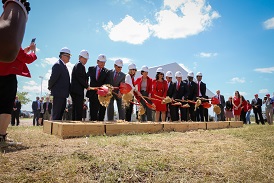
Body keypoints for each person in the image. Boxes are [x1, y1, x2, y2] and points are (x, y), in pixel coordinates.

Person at [0, 43, 37, 144]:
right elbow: (27, 59)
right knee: (6, 108)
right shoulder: (10, 39)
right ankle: (1, 136)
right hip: (7, 77)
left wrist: (23, 51)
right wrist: (33, 51)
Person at [48, 47, 71, 120]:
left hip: (63, 94)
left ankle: (57, 129)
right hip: (58, 94)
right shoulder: (58, 65)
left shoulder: (63, 66)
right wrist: (50, 87)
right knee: (57, 113)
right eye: (68, 56)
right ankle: (54, 129)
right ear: (63, 56)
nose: (69, 58)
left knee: (60, 113)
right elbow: (53, 78)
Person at [86, 54, 109, 121]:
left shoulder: (107, 72)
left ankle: (101, 128)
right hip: (92, 94)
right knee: (93, 112)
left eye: (104, 62)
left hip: (102, 96)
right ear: (97, 61)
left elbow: (107, 83)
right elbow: (86, 77)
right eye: (101, 62)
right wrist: (87, 85)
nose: (102, 64)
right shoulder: (91, 69)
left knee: (101, 112)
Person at [70, 50, 90, 121]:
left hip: (76, 91)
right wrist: (86, 86)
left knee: (75, 108)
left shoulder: (79, 66)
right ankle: (77, 123)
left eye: (86, 59)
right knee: (78, 109)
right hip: (77, 91)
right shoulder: (79, 65)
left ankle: (74, 122)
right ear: (80, 57)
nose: (85, 60)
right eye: (84, 58)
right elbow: (80, 78)